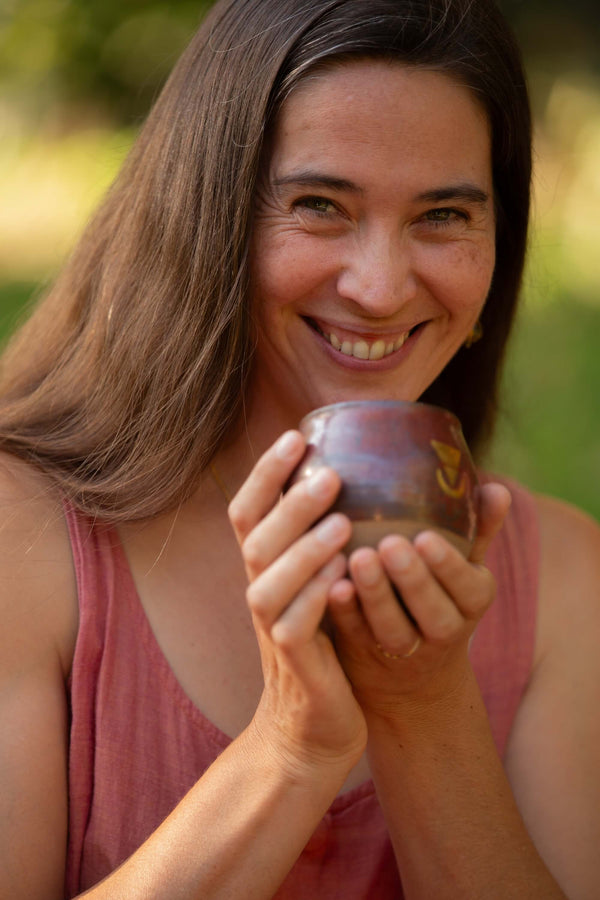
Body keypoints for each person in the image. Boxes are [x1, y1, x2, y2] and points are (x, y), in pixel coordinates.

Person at [0, 0, 598, 897]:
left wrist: (425, 710)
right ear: (208, 222)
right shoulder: (26, 543)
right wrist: (291, 747)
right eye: (319, 205)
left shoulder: (564, 580)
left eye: (442, 216)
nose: (381, 286)